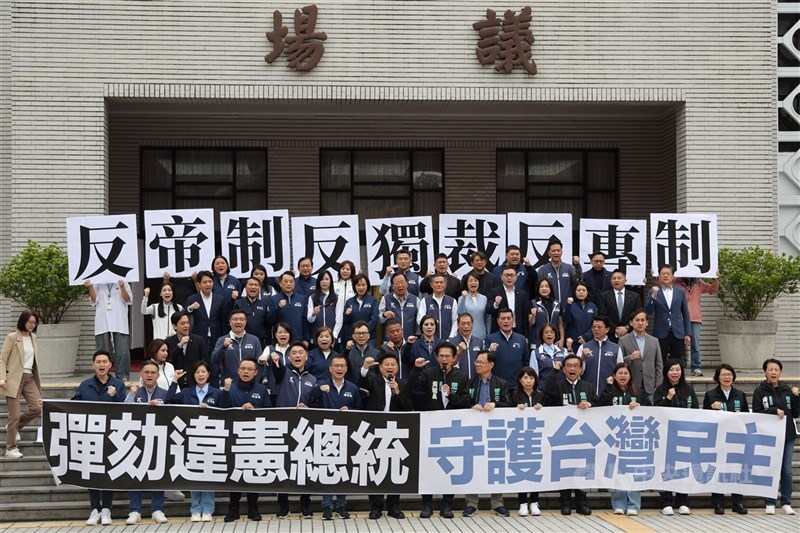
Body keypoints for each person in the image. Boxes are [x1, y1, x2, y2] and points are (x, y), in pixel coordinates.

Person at [408, 342, 471, 518]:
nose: (444, 359)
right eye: (441, 356)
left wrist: (451, 395)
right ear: (436, 357)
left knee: (449, 466)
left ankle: (447, 504)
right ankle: (427, 503)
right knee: (428, 466)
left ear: (453, 357)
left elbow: (466, 401)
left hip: (452, 428)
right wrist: (416, 369)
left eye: (447, 356)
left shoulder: (461, 376)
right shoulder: (429, 374)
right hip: (431, 427)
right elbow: (412, 388)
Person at [72, 350, 126, 526]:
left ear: (110, 364)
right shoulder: (85, 384)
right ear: (93, 364)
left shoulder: (118, 384)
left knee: (109, 472)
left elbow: (126, 411)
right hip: (90, 435)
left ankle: (107, 509)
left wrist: (115, 396)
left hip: (111, 435)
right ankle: (94, 509)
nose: (102, 365)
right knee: (92, 471)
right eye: (98, 362)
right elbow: (72, 406)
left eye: (105, 361)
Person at [307, 354, 362, 520]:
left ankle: (341, 506)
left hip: (346, 436)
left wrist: (351, 411)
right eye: (336, 366)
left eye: (342, 366)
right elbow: (310, 402)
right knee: (327, 471)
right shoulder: (322, 385)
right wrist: (317, 389)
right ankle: (326, 506)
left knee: (342, 471)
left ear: (346, 368)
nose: (339, 369)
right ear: (330, 368)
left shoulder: (352, 388)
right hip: (325, 436)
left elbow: (361, 409)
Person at [359, 352, 412, 519]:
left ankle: (393, 506)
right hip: (375, 428)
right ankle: (376, 506)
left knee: (394, 468)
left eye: (393, 365)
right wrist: (365, 368)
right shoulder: (373, 380)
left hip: (396, 431)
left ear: (397, 367)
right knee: (375, 468)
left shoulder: (402, 383)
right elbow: (362, 383)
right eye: (386, 365)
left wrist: (397, 392)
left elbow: (408, 407)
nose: (390, 367)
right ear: (380, 367)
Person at [165, 361, 221, 522]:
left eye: (203, 371)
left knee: (208, 475)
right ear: (193, 375)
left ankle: (208, 509)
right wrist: (174, 381)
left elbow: (225, 412)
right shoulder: (186, 393)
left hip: (211, 440)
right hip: (191, 440)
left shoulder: (216, 393)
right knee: (194, 475)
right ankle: (196, 509)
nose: (201, 375)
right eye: (197, 372)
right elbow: (168, 402)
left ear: (209, 374)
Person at [542, 353, 595, 515]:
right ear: (564, 369)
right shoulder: (557, 385)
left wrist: (590, 404)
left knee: (581, 469)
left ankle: (582, 502)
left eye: (576, 366)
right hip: (563, 436)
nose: (572, 369)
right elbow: (546, 394)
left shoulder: (588, 387)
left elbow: (599, 405)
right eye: (569, 366)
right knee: (564, 469)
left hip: (582, 436)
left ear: (581, 369)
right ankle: (565, 503)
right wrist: (553, 371)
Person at [219, 358, 271, 522]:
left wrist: (255, 409)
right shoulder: (230, 388)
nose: (246, 372)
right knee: (235, 474)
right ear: (238, 370)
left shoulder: (262, 389)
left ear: (256, 372)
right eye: (243, 368)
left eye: (250, 369)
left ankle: (253, 509)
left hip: (255, 438)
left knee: (252, 475)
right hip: (234, 439)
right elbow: (221, 410)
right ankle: (233, 509)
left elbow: (270, 411)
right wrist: (226, 392)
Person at [270, 342, 317, 518]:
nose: (297, 355)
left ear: (306, 356)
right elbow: (277, 368)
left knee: (304, 467)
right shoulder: (283, 373)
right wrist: (274, 359)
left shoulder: (313, 380)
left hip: (304, 430)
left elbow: (316, 404)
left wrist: (309, 406)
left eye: (300, 353)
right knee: (283, 466)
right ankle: (283, 504)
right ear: (289, 357)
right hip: (283, 427)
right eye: (294, 353)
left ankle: (305, 504)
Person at [463, 350, 512, 517]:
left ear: (491, 365)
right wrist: (471, 406)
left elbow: (509, 404)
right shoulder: (469, 383)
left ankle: (497, 503)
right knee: (472, 464)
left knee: (495, 465)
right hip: (473, 431)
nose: (477, 364)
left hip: (495, 431)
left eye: (481, 362)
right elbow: (462, 402)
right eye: (476, 362)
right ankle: (471, 503)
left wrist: (495, 406)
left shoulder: (501, 383)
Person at [597, 363, 648, 516]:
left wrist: (639, 405)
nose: (623, 376)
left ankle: (633, 504)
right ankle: (618, 503)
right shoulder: (610, 390)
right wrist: (608, 387)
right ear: (614, 375)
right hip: (614, 438)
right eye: (620, 373)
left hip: (633, 438)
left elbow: (649, 408)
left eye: (626, 373)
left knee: (632, 471)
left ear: (630, 376)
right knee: (616, 471)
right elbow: (600, 405)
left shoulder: (637, 391)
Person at [753, 358, 799, 515]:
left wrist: (797, 397)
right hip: (769, 436)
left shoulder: (787, 390)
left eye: (776, 369)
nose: (773, 372)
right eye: (770, 369)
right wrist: (773, 411)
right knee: (771, 468)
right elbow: (757, 413)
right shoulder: (760, 391)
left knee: (786, 469)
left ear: (780, 372)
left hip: (787, 434)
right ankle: (770, 502)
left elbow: (796, 413)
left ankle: (786, 502)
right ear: (765, 372)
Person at [124, 360, 168, 524]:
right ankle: (134, 510)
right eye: (146, 372)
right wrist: (131, 395)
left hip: (158, 439)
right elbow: (123, 411)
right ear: (141, 374)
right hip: (136, 440)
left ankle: (157, 509)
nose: (149, 375)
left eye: (153, 372)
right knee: (135, 475)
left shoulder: (165, 393)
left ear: (158, 375)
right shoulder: (135, 393)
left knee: (158, 475)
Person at [653, 359, 698, 515]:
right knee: (665, 468)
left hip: (685, 436)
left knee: (683, 468)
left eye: (677, 369)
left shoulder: (688, 390)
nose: (675, 372)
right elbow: (656, 411)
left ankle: (682, 501)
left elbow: (697, 411)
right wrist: (668, 398)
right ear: (666, 372)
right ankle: (666, 501)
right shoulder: (660, 389)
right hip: (666, 436)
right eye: (672, 369)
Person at [703, 363, 748, 515]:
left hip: (736, 439)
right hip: (718, 439)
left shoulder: (740, 395)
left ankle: (737, 502)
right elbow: (703, 418)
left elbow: (747, 416)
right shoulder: (710, 395)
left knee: (736, 470)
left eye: (729, 374)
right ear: (717, 377)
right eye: (723, 375)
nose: (727, 377)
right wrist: (711, 409)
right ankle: (718, 502)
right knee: (718, 469)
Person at [1, 311, 42, 459]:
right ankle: (11, 448)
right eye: (30, 322)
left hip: (29, 377)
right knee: (14, 415)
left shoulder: (34, 338)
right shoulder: (12, 337)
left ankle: (15, 428)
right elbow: (2, 359)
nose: (32, 325)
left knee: (37, 407)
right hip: (13, 379)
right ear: (23, 321)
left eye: (34, 322)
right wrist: (2, 378)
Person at [85, 278, 133, 380]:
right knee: (102, 348)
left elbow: (128, 300)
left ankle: (122, 376)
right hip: (102, 319)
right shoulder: (97, 281)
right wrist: (90, 287)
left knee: (122, 349)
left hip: (119, 319)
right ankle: (102, 375)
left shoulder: (123, 281)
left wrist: (122, 287)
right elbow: (93, 301)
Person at [646, 264, 691, 369]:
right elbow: (648, 311)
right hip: (661, 331)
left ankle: (678, 383)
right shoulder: (654, 291)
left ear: (673, 276)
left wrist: (688, 333)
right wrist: (653, 296)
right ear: (659, 276)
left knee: (678, 361)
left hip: (677, 331)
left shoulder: (680, 292)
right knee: (660, 361)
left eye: (668, 274)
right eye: (663, 274)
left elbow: (685, 313)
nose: (665, 276)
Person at [513, 367, 543, 516]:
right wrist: (515, 408)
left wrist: (541, 408)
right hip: (519, 439)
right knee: (522, 470)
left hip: (537, 439)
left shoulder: (541, 395)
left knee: (535, 469)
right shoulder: (514, 395)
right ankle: (523, 502)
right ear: (520, 380)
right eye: (525, 377)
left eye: (531, 378)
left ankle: (535, 502)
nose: (528, 381)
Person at [674, 276, 719, 376]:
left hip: (695, 317)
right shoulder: (676, 282)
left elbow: (712, 290)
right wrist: (655, 275)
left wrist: (715, 279)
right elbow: (661, 285)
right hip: (679, 318)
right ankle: (679, 367)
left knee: (695, 344)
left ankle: (696, 367)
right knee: (678, 344)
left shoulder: (698, 282)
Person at [618, 309, 662, 403]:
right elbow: (618, 363)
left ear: (647, 323)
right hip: (631, 384)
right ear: (631, 322)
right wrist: (630, 358)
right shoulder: (623, 340)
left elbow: (659, 365)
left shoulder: (654, 341)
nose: (640, 323)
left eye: (643, 320)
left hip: (650, 385)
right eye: (637, 320)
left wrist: (658, 386)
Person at [211, 309, 263, 388]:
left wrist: (256, 382)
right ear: (229, 322)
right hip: (229, 385)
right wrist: (223, 346)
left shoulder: (254, 340)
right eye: (235, 319)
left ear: (246, 322)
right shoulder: (222, 340)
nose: (238, 322)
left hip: (251, 386)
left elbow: (260, 364)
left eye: (241, 319)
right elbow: (214, 360)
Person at [578, 316, 623, 394]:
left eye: (599, 327)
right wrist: (582, 358)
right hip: (587, 392)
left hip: (609, 392)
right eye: (594, 327)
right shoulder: (583, 347)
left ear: (607, 329)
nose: (596, 329)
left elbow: (620, 372)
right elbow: (577, 371)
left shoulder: (616, 349)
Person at [185, 270, 227, 357]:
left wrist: (224, 337)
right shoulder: (192, 299)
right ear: (199, 284)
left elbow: (223, 320)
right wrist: (190, 308)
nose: (208, 284)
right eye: (205, 282)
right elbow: (184, 316)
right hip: (199, 337)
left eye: (210, 282)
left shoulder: (220, 299)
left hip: (216, 337)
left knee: (215, 364)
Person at [164, 310, 208, 389]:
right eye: (182, 323)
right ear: (174, 326)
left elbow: (204, 361)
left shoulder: (198, 340)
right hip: (176, 382)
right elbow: (168, 360)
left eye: (188, 323)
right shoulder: (168, 341)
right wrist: (179, 345)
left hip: (194, 382)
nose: (186, 326)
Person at [485, 308, 528, 387]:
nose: (506, 321)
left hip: (517, 385)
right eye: (503, 318)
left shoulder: (521, 339)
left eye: (509, 318)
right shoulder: (490, 339)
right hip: (497, 385)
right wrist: (489, 351)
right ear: (498, 321)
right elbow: (485, 363)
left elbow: (526, 362)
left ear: (513, 320)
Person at [487, 265, 532, 338]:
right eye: (506, 275)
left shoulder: (522, 294)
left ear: (516, 277)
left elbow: (524, 317)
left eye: (512, 275)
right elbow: (488, 310)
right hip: (499, 331)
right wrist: (496, 304)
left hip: (518, 331)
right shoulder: (494, 292)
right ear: (501, 277)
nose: (509, 278)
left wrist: (525, 337)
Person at [536, 237, 582, 306]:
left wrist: (577, 265)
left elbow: (578, 282)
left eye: (558, 250)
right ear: (549, 253)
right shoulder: (542, 270)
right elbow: (538, 290)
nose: (556, 253)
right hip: (551, 308)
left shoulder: (569, 268)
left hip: (568, 307)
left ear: (561, 252)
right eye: (553, 251)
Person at [598, 269, 640, 343]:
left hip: (630, 334)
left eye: (619, 278)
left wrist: (627, 328)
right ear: (610, 281)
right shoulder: (604, 296)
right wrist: (616, 329)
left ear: (625, 280)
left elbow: (638, 314)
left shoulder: (634, 296)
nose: (616, 280)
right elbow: (603, 314)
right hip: (611, 335)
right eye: (614, 278)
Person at [378, 272, 420, 340]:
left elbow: (418, 322)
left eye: (402, 282)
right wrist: (384, 315)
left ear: (407, 283)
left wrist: (417, 337)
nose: (400, 285)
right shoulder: (386, 299)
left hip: (410, 339)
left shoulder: (415, 300)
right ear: (392, 286)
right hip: (390, 342)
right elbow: (379, 319)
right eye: (397, 283)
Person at [267, 271, 307, 342]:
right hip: (280, 340)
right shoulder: (273, 299)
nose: (289, 284)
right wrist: (278, 307)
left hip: (297, 339)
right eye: (286, 281)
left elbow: (305, 320)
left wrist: (306, 339)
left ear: (294, 284)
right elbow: (269, 319)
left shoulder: (301, 299)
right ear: (280, 283)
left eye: (291, 282)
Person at [342, 273, 379, 347]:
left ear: (367, 286)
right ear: (354, 286)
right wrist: (347, 314)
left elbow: (375, 318)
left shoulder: (373, 301)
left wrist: (364, 331)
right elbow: (346, 322)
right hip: (353, 337)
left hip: (369, 337)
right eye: (358, 285)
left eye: (363, 285)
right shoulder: (349, 302)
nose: (361, 288)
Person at [307, 270, 344, 343]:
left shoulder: (337, 298)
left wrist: (333, 336)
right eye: (322, 279)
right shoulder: (312, 298)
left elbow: (339, 320)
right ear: (318, 282)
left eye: (327, 279)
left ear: (331, 281)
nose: (324, 282)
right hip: (317, 338)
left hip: (333, 339)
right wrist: (314, 313)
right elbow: (310, 319)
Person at [417, 273, 458, 339]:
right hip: (430, 339)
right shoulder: (425, 301)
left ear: (445, 284)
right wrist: (430, 322)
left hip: (447, 340)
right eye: (436, 282)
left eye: (441, 282)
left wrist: (451, 337)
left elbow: (455, 321)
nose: (439, 284)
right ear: (431, 285)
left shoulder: (452, 301)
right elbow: (419, 319)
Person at [529, 323, 569, 389]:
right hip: (543, 389)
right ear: (542, 335)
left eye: (552, 332)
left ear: (555, 335)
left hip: (561, 389)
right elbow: (534, 375)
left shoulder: (563, 351)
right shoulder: (535, 353)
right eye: (546, 332)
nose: (549, 334)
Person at [232, 276, 270, 347]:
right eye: (250, 284)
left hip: (260, 343)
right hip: (242, 342)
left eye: (256, 285)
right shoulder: (238, 303)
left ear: (259, 288)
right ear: (245, 288)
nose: (253, 287)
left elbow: (267, 325)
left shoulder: (264, 305)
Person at [342, 321, 381, 385]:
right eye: (358, 333)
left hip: (370, 390)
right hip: (352, 389)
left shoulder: (376, 353)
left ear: (368, 336)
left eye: (364, 333)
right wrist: (346, 351)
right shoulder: (348, 352)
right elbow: (343, 367)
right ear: (353, 336)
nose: (361, 336)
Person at [529, 278, 564, 349]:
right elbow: (531, 323)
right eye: (541, 287)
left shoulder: (557, 304)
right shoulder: (533, 303)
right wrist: (533, 315)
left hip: (554, 339)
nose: (544, 288)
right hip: (537, 339)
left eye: (546, 286)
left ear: (550, 288)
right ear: (538, 289)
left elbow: (560, 323)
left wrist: (562, 339)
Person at [449, 312, 485, 381]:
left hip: (476, 382)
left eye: (468, 323)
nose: (466, 326)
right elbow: (449, 364)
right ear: (458, 325)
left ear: (472, 324)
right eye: (463, 324)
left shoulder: (480, 342)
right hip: (457, 382)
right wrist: (459, 352)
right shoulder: (451, 342)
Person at [457, 272, 491, 339]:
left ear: (479, 283)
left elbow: (487, 318)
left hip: (482, 334)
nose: (473, 283)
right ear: (466, 283)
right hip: (466, 334)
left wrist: (488, 334)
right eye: (470, 281)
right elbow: (460, 313)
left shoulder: (484, 298)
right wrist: (463, 298)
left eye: (475, 280)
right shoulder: (461, 298)